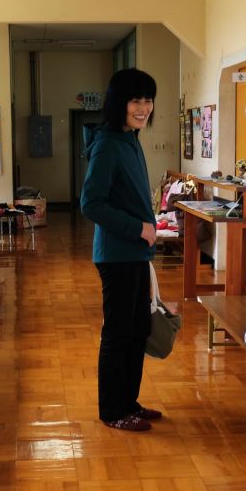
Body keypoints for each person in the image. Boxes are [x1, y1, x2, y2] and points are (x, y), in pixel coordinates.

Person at [80, 68, 164, 432]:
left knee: (137, 330)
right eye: (135, 100)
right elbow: (91, 203)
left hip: (136, 253)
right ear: (120, 103)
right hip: (117, 254)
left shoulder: (131, 138)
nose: (143, 107)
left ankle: (128, 401)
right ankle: (113, 410)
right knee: (118, 333)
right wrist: (139, 227)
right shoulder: (109, 143)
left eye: (147, 100)